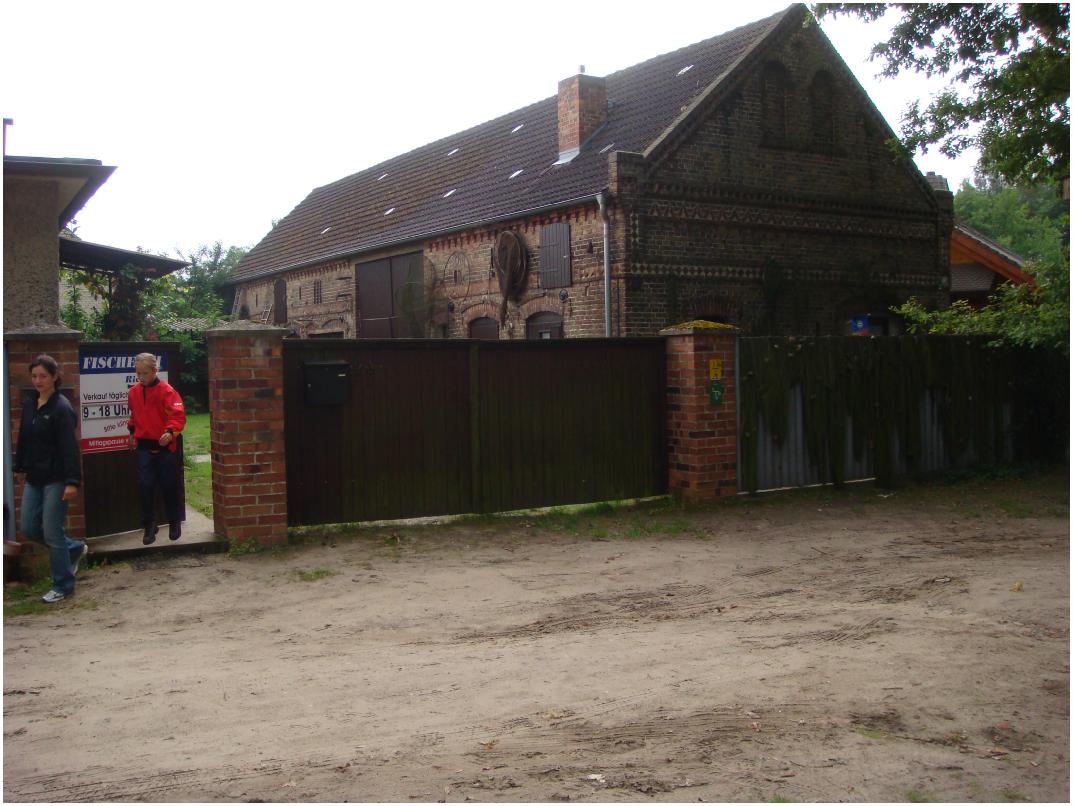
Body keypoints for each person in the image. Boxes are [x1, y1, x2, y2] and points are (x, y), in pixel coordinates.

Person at [13, 355, 87, 604]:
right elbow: (24, 439)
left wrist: (72, 481)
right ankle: (73, 548)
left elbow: (69, 448)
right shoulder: (30, 404)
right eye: (34, 376)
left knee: (52, 531)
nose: (38, 381)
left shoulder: (61, 408)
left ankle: (63, 585)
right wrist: (19, 466)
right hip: (35, 477)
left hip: (57, 478)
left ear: (55, 377)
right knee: (29, 527)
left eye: (43, 376)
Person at [127, 352, 186, 544]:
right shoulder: (133, 392)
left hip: (164, 447)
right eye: (138, 373)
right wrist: (131, 433)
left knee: (169, 484)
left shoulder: (167, 391)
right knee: (145, 486)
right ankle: (149, 525)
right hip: (144, 447)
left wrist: (169, 432)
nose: (141, 377)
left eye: (144, 373)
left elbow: (178, 415)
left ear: (154, 370)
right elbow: (134, 416)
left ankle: (174, 521)